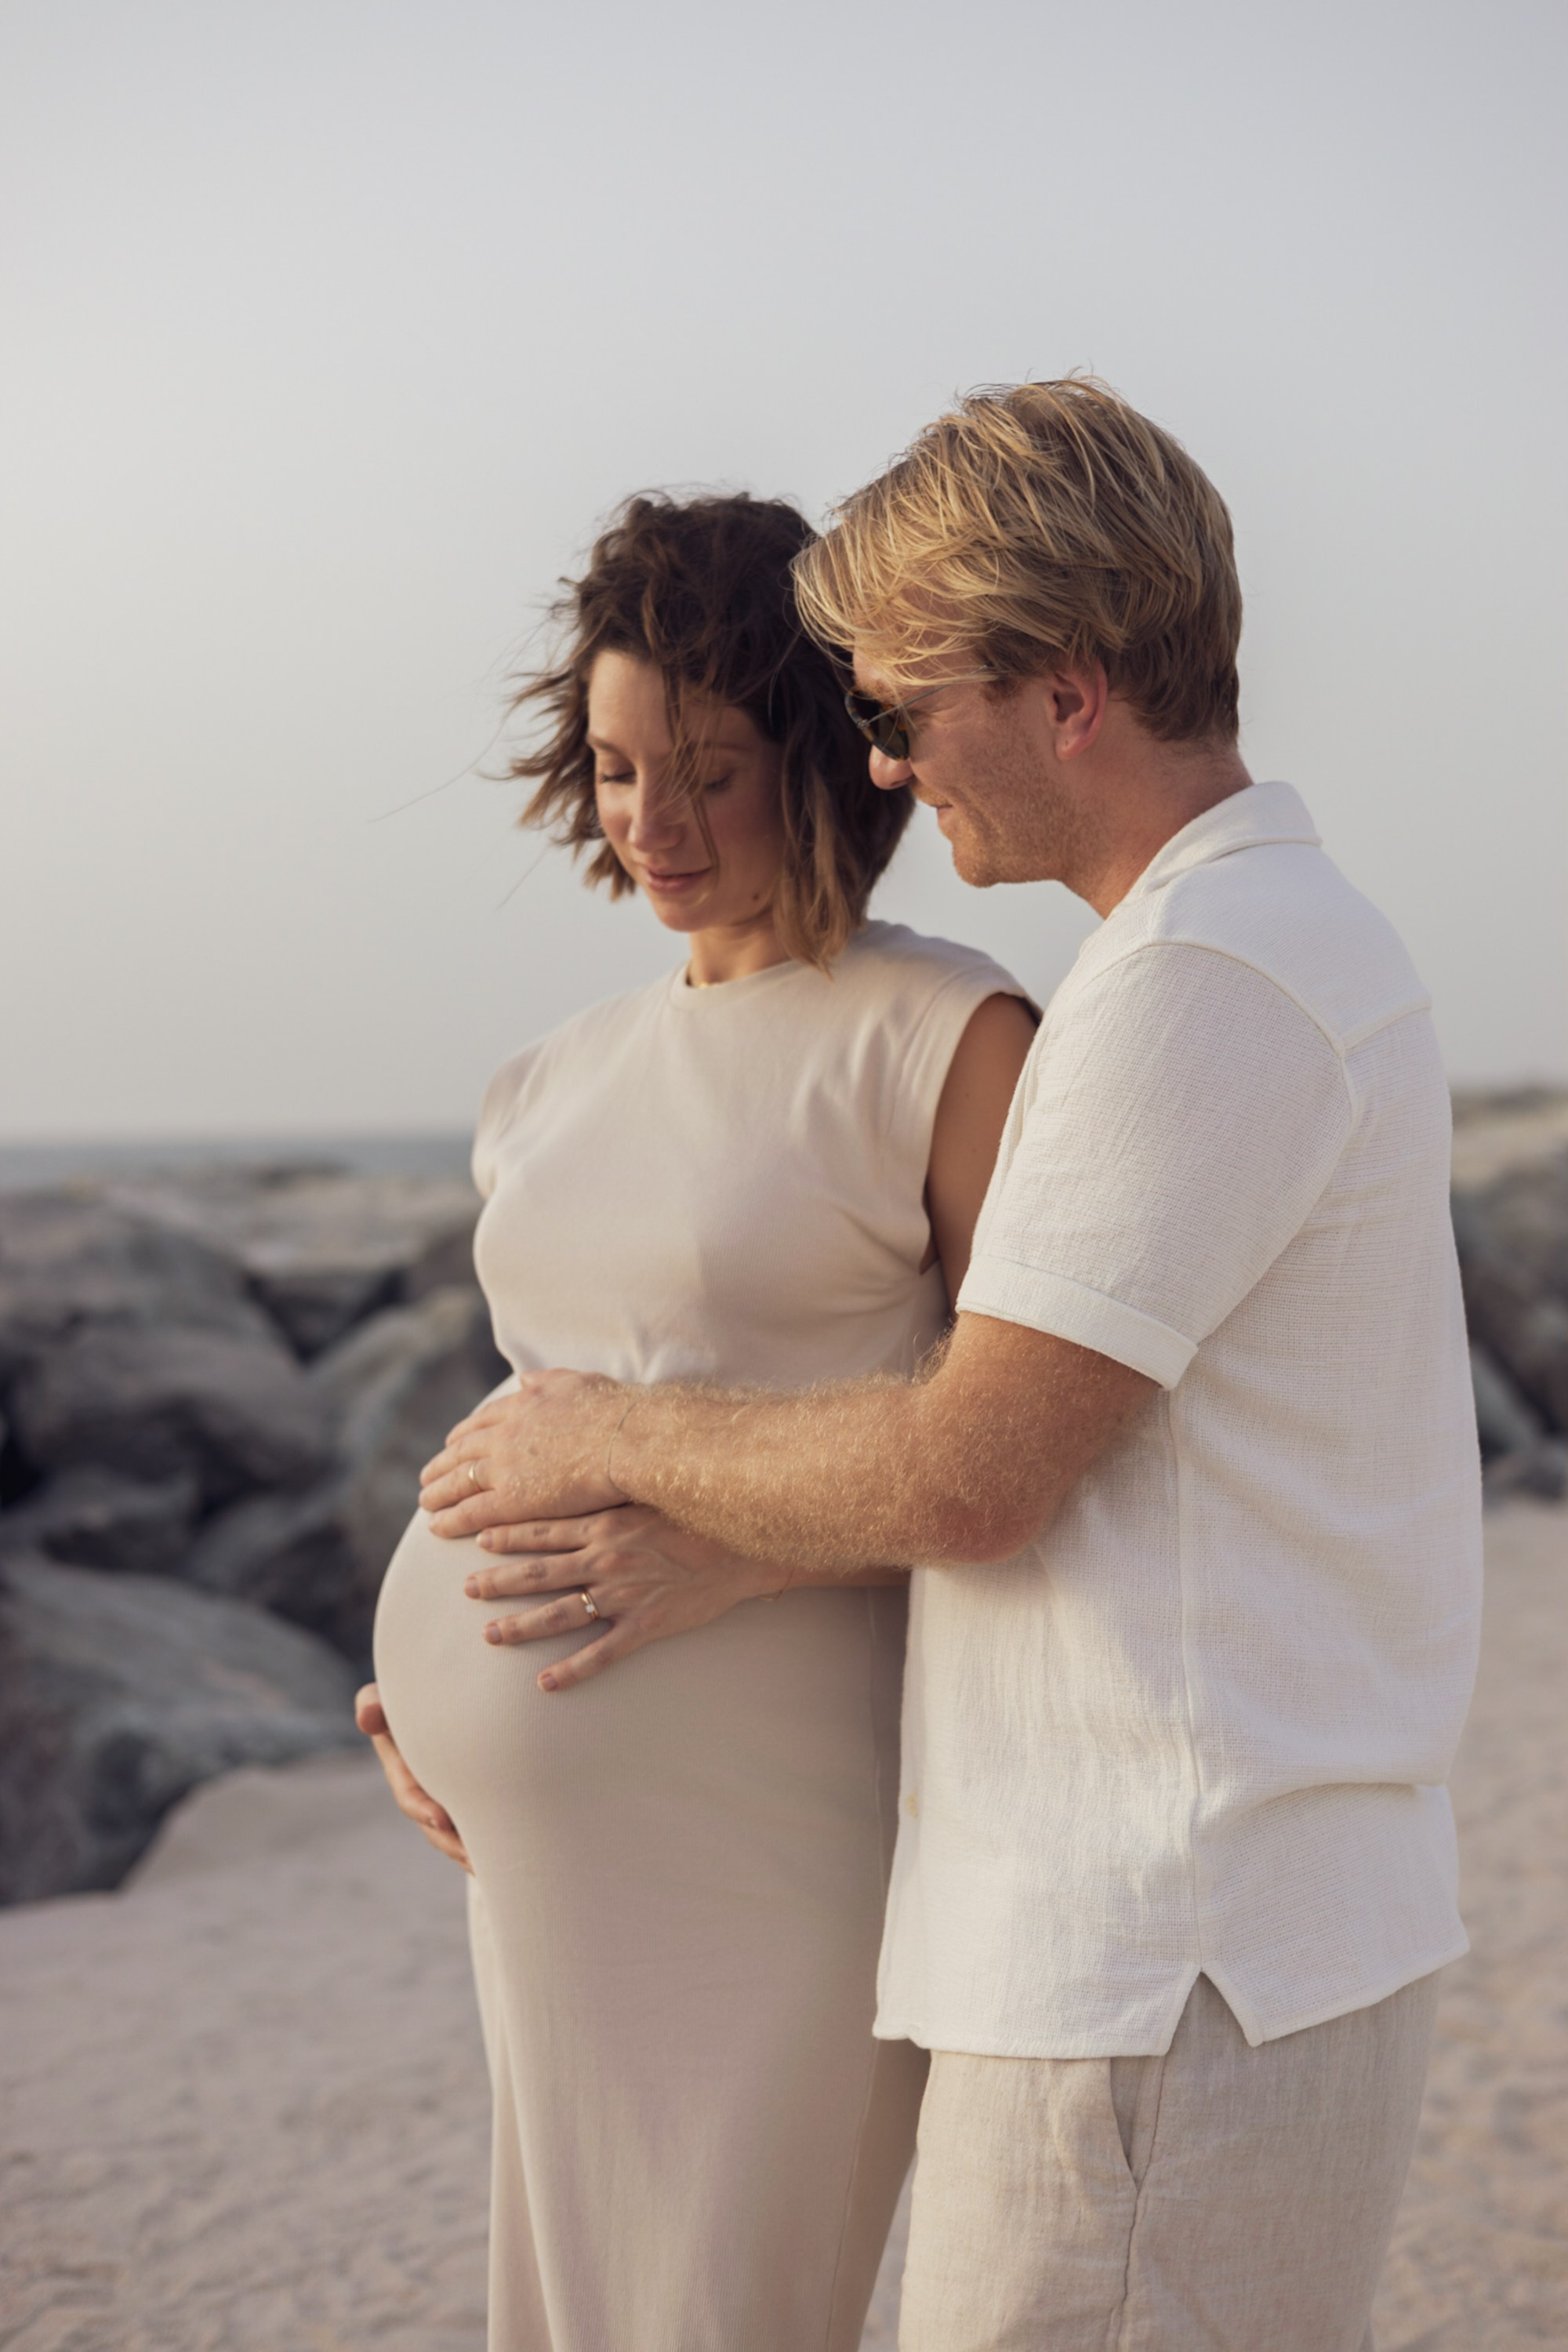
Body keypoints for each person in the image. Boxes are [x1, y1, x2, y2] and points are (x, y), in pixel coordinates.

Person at [420, 383, 1485, 2352]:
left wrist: (605, 1439)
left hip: (1163, 1959)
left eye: (904, 709)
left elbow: (972, 1465)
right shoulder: (1224, 959)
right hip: (1142, 1958)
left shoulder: (1196, 993)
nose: (891, 764)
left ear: (1065, 693)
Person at [361, 488, 1037, 2352]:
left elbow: (1036, 1449)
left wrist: (739, 1552)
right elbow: (542, 1405)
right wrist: (410, 1687)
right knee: (569, 2300)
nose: (654, 823)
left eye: (714, 771)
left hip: (782, 1824)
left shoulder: (946, 1041)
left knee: (727, 2307)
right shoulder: (548, 1081)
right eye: (616, 766)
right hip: (538, 1850)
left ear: (835, 765)